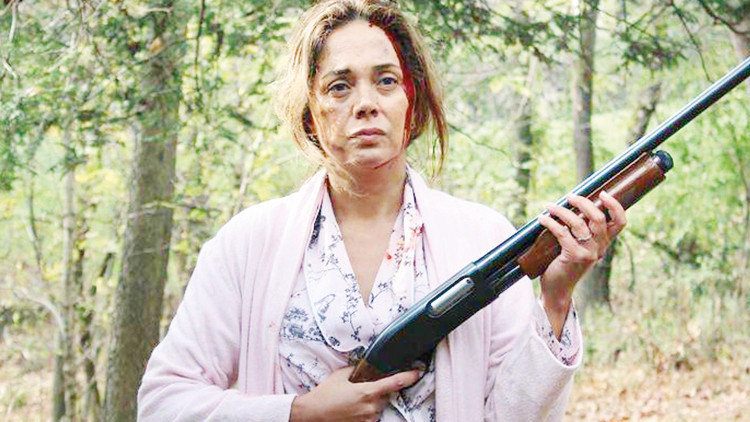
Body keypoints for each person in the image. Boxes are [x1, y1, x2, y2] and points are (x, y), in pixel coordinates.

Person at [137, 0, 627, 420]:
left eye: (386, 81)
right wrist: (297, 412)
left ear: (410, 101)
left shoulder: (483, 236)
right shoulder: (248, 243)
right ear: (310, 112)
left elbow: (512, 416)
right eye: (339, 86)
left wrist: (556, 299)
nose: (366, 103)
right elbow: (162, 403)